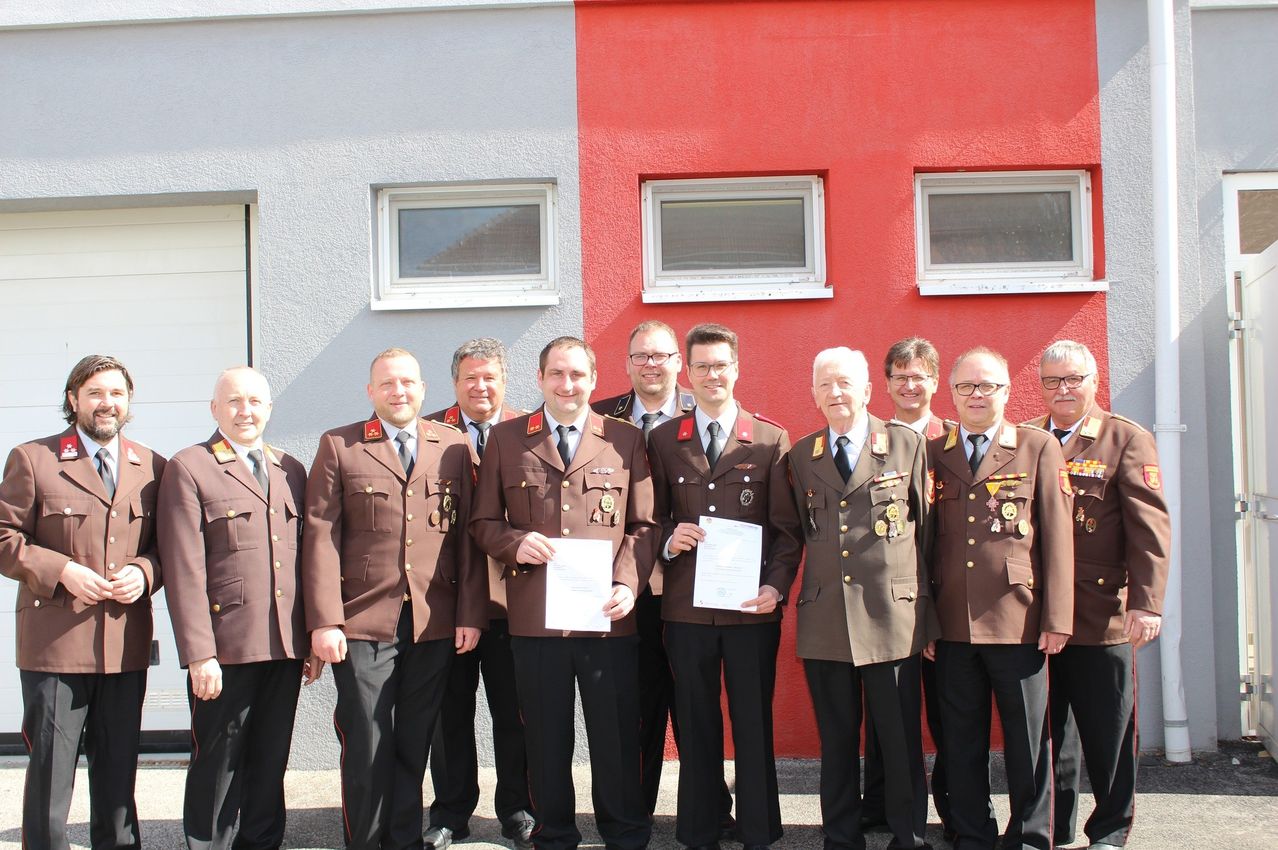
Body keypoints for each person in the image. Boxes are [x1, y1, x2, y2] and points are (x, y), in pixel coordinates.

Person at [470, 336, 657, 850]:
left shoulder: (624, 440)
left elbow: (645, 525)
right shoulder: (508, 440)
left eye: (577, 374)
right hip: (535, 618)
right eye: (556, 373)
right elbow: (482, 522)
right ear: (540, 379)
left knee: (615, 734)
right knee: (546, 737)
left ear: (594, 380)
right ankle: (554, 832)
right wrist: (513, 542)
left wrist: (627, 582)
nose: (567, 384)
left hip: (607, 616)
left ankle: (624, 830)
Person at [303, 348, 486, 850]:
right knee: (367, 739)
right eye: (387, 384)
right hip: (362, 620)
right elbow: (320, 536)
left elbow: (466, 537)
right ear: (371, 392)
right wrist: (324, 621)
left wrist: (470, 613)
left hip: (434, 620)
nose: (398, 391)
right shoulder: (340, 446)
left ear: (424, 390)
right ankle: (366, 841)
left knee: (414, 740)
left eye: (407, 382)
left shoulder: (451, 445)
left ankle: (402, 840)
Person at [646, 322, 803, 850]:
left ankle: (759, 827)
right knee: (695, 720)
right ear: (687, 374)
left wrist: (776, 590)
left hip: (749, 608)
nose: (713, 375)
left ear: (736, 369)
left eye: (721, 365)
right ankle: (700, 826)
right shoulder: (666, 439)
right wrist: (670, 540)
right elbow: (649, 520)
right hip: (687, 611)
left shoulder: (769, 438)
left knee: (752, 718)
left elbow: (786, 531)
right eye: (702, 366)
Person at [0, 354, 166, 850]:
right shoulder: (34, 459)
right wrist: (62, 571)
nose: (106, 403)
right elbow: (4, 537)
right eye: (94, 393)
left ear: (129, 401)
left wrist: (145, 572)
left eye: (116, 393)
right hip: (55, 647)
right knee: (52, 772)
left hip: (123, 646)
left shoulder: (151, 466)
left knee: (118, 774)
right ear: (73, 399)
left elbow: (168, 547)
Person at [157, 366, 316, 850]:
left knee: (271, 758)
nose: (245, 411)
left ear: (269, 408)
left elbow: (303, 561)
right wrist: (199, 654)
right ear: (214, 409)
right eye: (233, 402)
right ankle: (207, 843)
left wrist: (307, 640)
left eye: (254, 402)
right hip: (225, 650)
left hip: (284, 646)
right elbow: (184, 570)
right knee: (219, 759)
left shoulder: (290, 468)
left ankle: (262, 841)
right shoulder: (190, 467)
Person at [926, 347, 1073, 850]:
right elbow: (923, 547)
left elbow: (1056, 538)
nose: (976, 395)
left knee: (1027, 741)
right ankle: (972, 832)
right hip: (952, 624)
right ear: (952, 393)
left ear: (1007, 391)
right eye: (966, 386)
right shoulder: (934, 452)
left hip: (1021, 619)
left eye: (987, 385)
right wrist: (926, 623)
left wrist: (1057, 618)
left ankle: (1031, 835)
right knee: (960, 740)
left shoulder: (1036, 447)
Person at [788, 347, 934, 850]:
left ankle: (908, 835)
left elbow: (927, 534)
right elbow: (797, 534)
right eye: (825, 385)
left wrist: (929, 618)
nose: (836, 393)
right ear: (813, 394)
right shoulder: (801, 457)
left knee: (899, 740)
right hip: (826, 618)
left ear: (869, 390)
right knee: (837, 742)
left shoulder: (906, 444)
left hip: (893, 616)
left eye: (846, 383)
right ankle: (841, 836)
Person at [592, 320, 733, 828]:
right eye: (641, 356)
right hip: (626, 591)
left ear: (679, 362)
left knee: (696, 707)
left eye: (661, 355)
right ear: (627, 363)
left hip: (694, 586)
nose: (651, 365)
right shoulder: (601, 416)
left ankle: (711, 810)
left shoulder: (710, 412)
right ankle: (635, 815)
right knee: (636, 707)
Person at [1031, 340, 1169, 850]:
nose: (1063, 390)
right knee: (1049, 731)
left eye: (1073, 379)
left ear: (1093, 381)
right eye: (1052, 381)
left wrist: (1147, 602)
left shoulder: (1124, 439)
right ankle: (1055, 825)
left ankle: (1110, 829)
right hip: (1037, 613)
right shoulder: (1027, 438)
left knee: (1107, 729)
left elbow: (1149, 527)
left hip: (1100, 612)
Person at [424, 338, 533, 850]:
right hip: (446, 601)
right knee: (451, 714)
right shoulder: (429, 433)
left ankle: (518, 808)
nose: (480, 386)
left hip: (515, 601)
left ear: (505, 381)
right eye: (470, 377)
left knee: (515, 712)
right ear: (454, 383)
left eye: (489, 377)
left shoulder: (527, 433)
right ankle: (450, 811)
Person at [866, 336, 951, 840]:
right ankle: (879, 805)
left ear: (935, 382)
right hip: (886, 604)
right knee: (885, 715)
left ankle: (956, 807)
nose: (909, 384)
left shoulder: (954, 439)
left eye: (919, 375)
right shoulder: (873, 440)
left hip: (944, 600)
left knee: (946, 713)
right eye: (899, 376)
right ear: (887, 383)